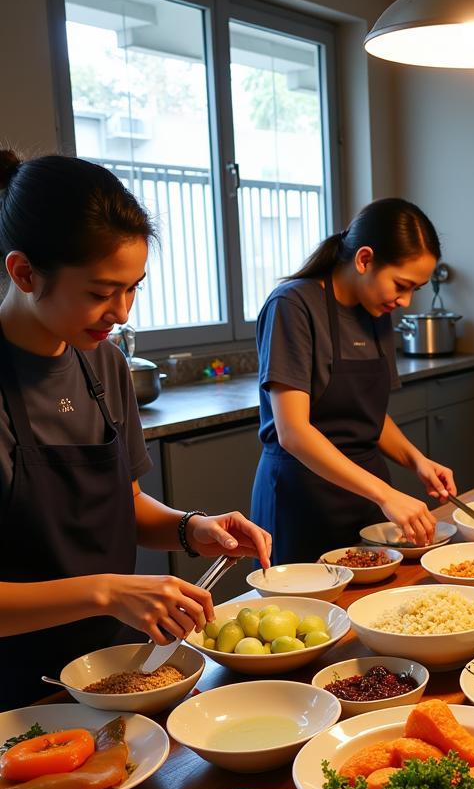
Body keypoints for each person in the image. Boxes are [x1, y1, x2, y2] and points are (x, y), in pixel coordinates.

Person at [0, 152, 272, 710]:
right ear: (24, 272)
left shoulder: (102, 363)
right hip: (17, 692)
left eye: (133, 289)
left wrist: (190, 528)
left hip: (114, 667)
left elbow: (123, 502)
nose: (121, 312)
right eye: (101, 293)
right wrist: (107, 590)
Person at [250, 199, 456, 563]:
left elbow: (368, 415)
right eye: (401, 284)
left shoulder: (375, 309)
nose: (405, 300)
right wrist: (385, 495)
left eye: (415, 289)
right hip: (302, 502)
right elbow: (293, 431)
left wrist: (416, 460)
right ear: (364, 259)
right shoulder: (293, 306)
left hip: (363, 501)